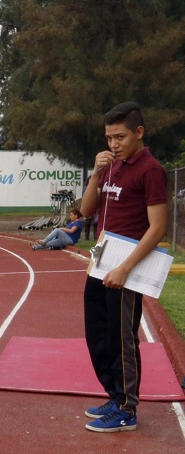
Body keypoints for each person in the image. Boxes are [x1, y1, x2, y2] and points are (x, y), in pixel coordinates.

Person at [78, 102, 167, 433]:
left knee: (122, 337)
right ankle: (115, 396)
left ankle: (128, 408)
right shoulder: (112, 166)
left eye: (120, 137)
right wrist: (96, 174)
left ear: (139, 133)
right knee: (98, 334)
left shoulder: (150, 169)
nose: (113, 144)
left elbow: (158, 227)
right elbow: (87, 211)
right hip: (101, 259)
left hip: (126, 265)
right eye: (108, 137)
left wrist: (126, 268)